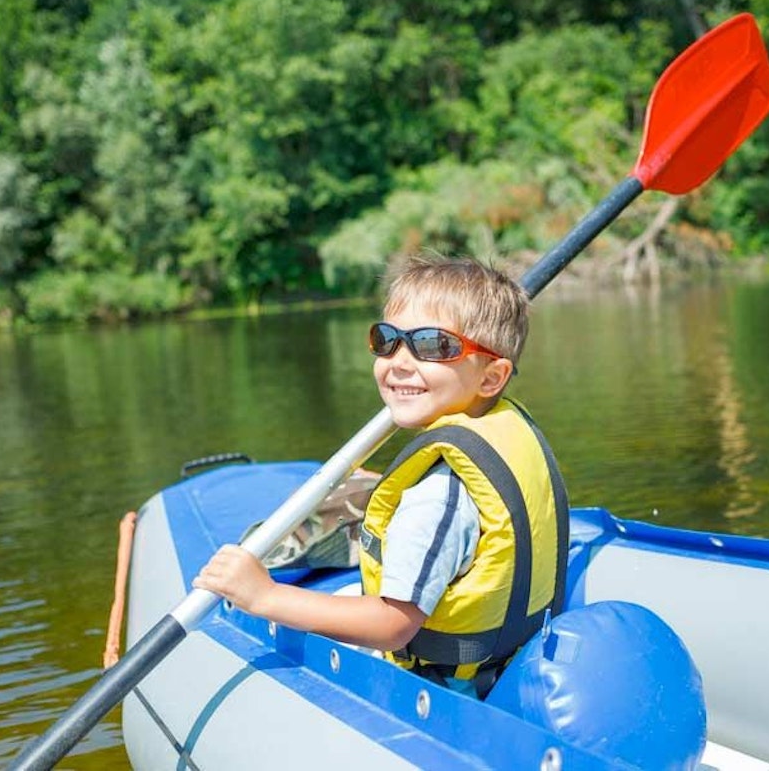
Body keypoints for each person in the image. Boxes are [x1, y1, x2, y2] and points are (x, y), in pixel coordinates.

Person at [193, 255, 569, 697]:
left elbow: (392, 626)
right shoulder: (503, 428)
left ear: (491, 378)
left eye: (434, 345)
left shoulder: (437, 497)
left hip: (442, 687)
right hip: (501, 661)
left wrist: (264, 597)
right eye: (388, 340)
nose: (400, 362)